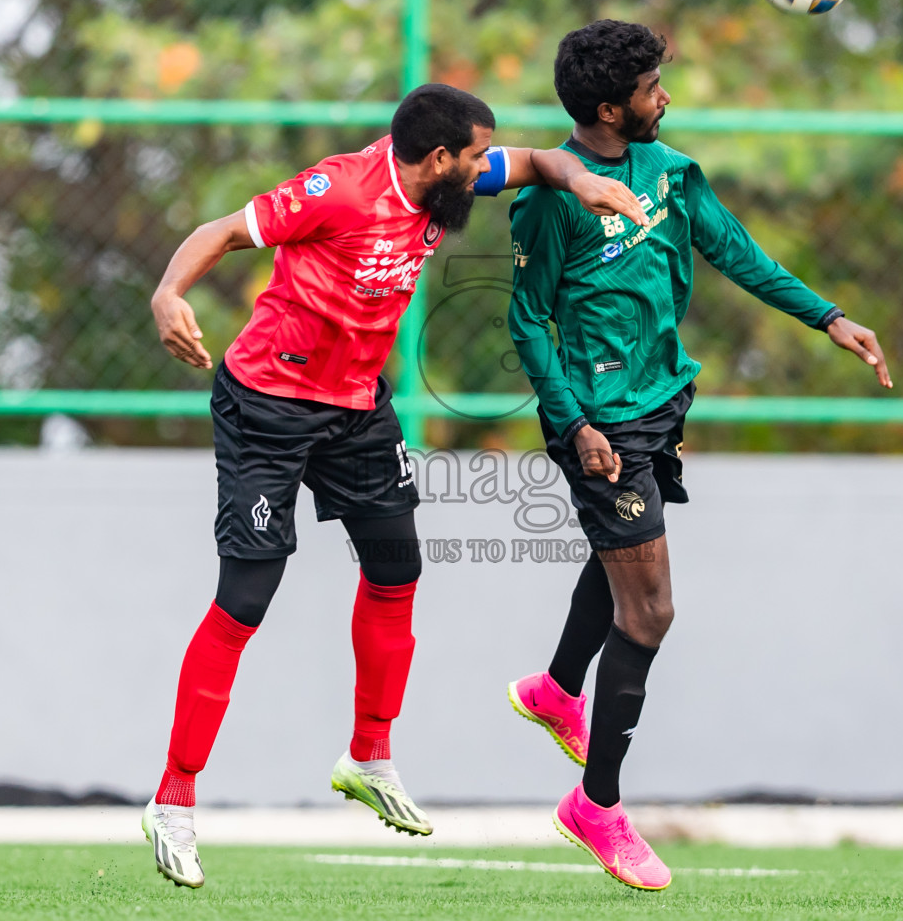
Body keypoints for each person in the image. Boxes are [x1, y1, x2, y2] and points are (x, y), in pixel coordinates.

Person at [143, 82, 648, 888]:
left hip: (356, 410)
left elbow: (536, 162)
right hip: (269, 405)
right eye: (478, 156)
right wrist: (169, 294)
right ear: (439, 159)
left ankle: (369, 755)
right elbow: (224, 231)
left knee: (396, 571)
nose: (490, 169)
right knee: (245, 601)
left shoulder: (448, 178)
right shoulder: (337, 189)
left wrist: (577, 178)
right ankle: (173, 799)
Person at [505, 21, 892, 891]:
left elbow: (737, 253)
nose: (664, 96)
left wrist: (828, 317)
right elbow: (527, 318)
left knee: (619, 572)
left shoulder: (672, 175)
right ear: (610, 109)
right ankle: (595, 806)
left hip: (659, 402)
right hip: (600, 423)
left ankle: (558, 691)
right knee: (648, 616)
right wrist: (572, 425)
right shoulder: (551, 198)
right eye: (650, 88)